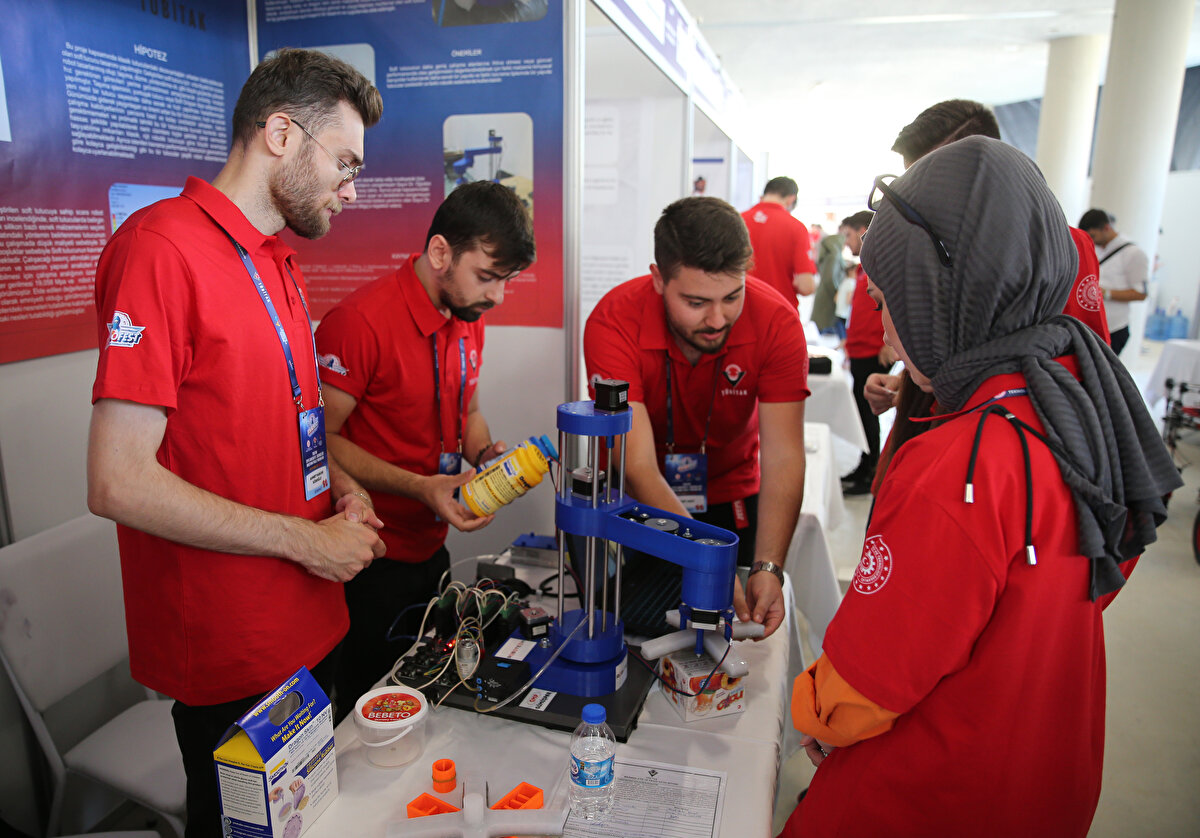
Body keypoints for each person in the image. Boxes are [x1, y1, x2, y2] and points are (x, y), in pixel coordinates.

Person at [779, 137, 1180, 837]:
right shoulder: (1077, 399)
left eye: (892, 302)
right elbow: (1112, 563)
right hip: (1044, 771)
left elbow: (866, 685)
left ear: (945, 299)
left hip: (933, 793)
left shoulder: (960, 464)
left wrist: (813, 711)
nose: (893, 337)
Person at [87, 49, 387, 838]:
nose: (352, 190)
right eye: (345, 163)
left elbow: (275, 420)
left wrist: (337, 494)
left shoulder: (277, 258)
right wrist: (304, 540)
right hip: (234, 648)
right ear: (281, 133)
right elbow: (117, 481)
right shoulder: (161, 249)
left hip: (312, 623)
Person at [314, 181, 536, 715]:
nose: (497, 296)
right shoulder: (361, 322)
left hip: (431, 547)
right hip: (367, 556)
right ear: (441, 253)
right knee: (368, 707)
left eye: (505, 280)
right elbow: (322, 440)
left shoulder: (466, 318)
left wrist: (485, 458)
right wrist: (421, 486)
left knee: (425, 693)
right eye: (487, 277)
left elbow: (470, 413)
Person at [584, 197, 809, 639]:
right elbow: (637, 465)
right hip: (640, 496)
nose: (717, 318)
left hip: (731, 496)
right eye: (696, 301)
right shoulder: (614, 321)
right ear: (657, 280)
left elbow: (784, 456)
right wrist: (708, 564)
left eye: (732, 296)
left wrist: (768, 566)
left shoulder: (777, 322)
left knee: (731, 634)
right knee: (635, 628)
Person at [862, 98, 1110, 495]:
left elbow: (1078, 363)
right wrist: (907, 382)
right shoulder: (921, 240)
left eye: (935, 176)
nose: (922, 198)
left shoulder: (1059, 247)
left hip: (994, 462)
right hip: (929, 429)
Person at [838, 211, 892, 495]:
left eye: (848, 235)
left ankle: (871, 472)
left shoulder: (882, 265)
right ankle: (865, 464)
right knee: (861, 412)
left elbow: (892, 305)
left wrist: (889, 344)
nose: (846, 242)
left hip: (874, 351)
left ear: (862, 230)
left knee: (869, 412)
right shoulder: (863, 268)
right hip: (860, 349)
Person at [1078, 208, 1149, 356]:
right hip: (1088, 327)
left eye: (1093, 235)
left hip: (1113, 328)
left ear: (1106, 228)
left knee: (1100, 376)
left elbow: (1141, 293)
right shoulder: (1094, 248)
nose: (1091, 240)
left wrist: (1106, 293)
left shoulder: (1133, 253)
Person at [740, 176, 818, 309]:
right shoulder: (796, 227)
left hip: (741, 309)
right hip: (780, 311)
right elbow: (806, 287)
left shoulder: (738, 220)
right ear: (791, 199)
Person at [811, 223, 846, 337]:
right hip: (828, 298)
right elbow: (830, 277)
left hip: (824, 296)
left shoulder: (830, 253)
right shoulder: (834, 255)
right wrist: (837, 292)